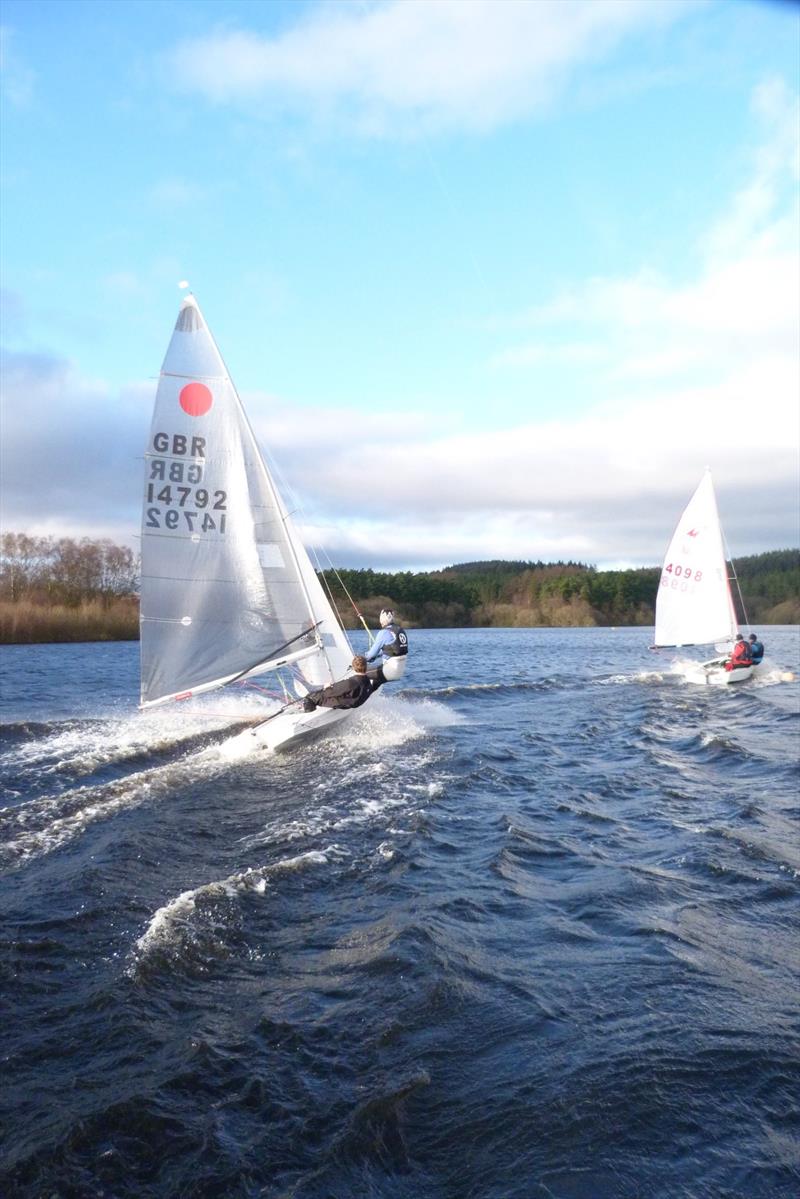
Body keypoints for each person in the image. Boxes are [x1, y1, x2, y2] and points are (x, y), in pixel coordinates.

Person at [302, 656, 376, 712]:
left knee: (310, 697)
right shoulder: (368, 682)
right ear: (366, 667)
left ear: (353, 667)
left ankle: (309, 715)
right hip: (354, 702)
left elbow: (329, 693)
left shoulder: (350, 682)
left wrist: (326, 687)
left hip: (343, 703)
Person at [363, 609, 409, 687]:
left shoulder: (384, 632)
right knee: (374, 683)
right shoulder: (400, 630)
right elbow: (390, 649)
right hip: (399, 671)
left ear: (382, 620)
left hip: (389, 670)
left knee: (359, 672)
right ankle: (369, 696)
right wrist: (374, 657)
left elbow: (370, 655)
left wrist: (360, 660)